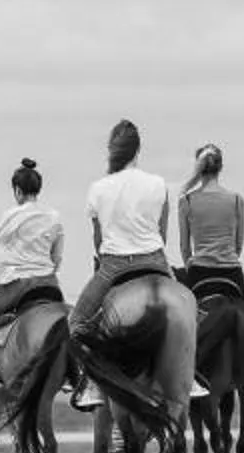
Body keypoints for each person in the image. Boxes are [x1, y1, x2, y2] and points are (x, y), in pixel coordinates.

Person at [70, 119, 170, 412]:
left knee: (75, 324)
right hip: (155, 260)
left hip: (114, 265)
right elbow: (163, 234)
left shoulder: (98, 188)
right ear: (138, 150)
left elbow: (98, 240)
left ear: (111, 152)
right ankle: (190, 378)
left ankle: (90, 384)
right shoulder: (158, 184)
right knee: (192, 312)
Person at [178, 142, 244, 401]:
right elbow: (239, 243)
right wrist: (226, 258)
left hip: (199, 272)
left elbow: (184, 248)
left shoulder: (186, 200)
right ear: (221, 168)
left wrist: (193, 263)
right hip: (232, 272)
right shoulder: (236, 200)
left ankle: (183, 374)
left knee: (182, 326)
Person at [0, 157, 63, 391]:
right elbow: (57, 258)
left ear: (17, 191)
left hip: (19, 285)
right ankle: (74, 374)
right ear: (38, 189)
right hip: (51, 285)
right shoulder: (54, 217)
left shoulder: (8, 217)